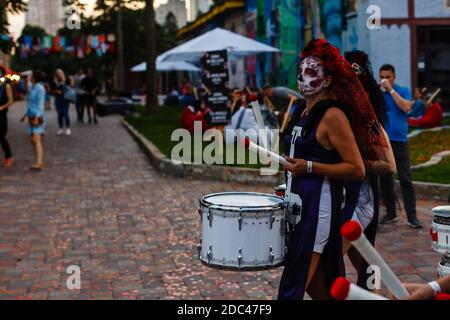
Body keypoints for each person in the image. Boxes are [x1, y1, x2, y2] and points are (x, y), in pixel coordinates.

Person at [278, 39, 377, 300]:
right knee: (319, 287)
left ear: (329, 80)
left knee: (293, 285)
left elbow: (357, 169)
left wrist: (309, 166)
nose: (303, 77)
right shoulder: (300, 110)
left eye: (312, 72)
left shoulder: (333, 116)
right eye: (301, 70)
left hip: (317, 209)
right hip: (297, 204)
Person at [343, 50, 397, 290]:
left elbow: (390, 166)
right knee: (363, 258)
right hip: (336, 194)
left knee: (361, 256)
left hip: (361, 196)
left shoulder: (370, 122)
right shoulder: (333, 111)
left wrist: (355, 163)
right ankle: (372, 293)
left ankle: (371, 293)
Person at [378, 64, 422, 228]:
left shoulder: (403, 91)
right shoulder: (378, 94)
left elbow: (405, 106)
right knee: (385, 179)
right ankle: (391, 213)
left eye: (388, 77)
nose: (385, 80)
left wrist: (390, 90)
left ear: (394, 77)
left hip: (400, 141)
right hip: (383, 143)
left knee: (405, 179)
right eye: (382, 76)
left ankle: (412, 216)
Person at [20, 70, 45, 170]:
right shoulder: (32, 87)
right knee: (32, 140)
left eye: (30, 76)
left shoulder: (40, 88)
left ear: (34, 77)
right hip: (31, 115)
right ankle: (38, 161)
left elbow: (40, 104)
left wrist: (36, 117)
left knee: (36, 139)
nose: (29, 77)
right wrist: (25, 115)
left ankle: (39, 163)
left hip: (37, 116)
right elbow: (26, 93)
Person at [0, 73, 14, 168]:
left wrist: (2, 107)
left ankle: (9, 156)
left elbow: (11, 101)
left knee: (1, 136)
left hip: (2, 115)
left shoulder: (6, 86)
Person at [52, 68, 71, 135]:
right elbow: (52, 90)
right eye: (57, 73)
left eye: (59, 73)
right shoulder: (54, 81)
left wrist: (62, 90)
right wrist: (56, 91)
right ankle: (61, 128)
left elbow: (70, 88)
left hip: (65, 99)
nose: (58, 75)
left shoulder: (66, 80)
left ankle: (68, 128)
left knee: (65, 114)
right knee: (59, 114)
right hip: (58, 99)